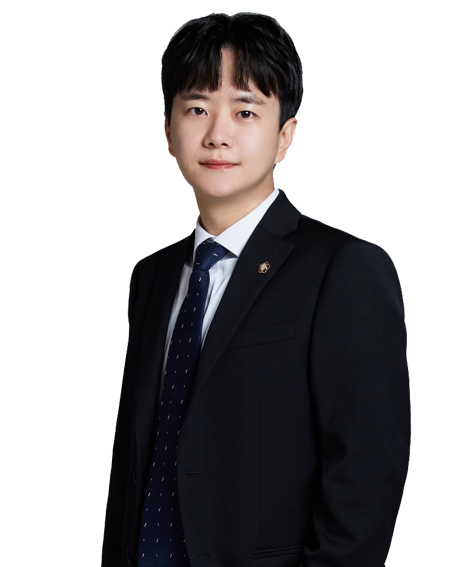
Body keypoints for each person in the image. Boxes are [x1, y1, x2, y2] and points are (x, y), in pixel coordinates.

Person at [102, 13, 410, 567]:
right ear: (168, 132)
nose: (217, 134)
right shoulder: (153, 277)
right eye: (197, 109)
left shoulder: (342, 269)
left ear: (284, 137)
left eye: (245, 111)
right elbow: (134, 463)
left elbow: (366, 474)